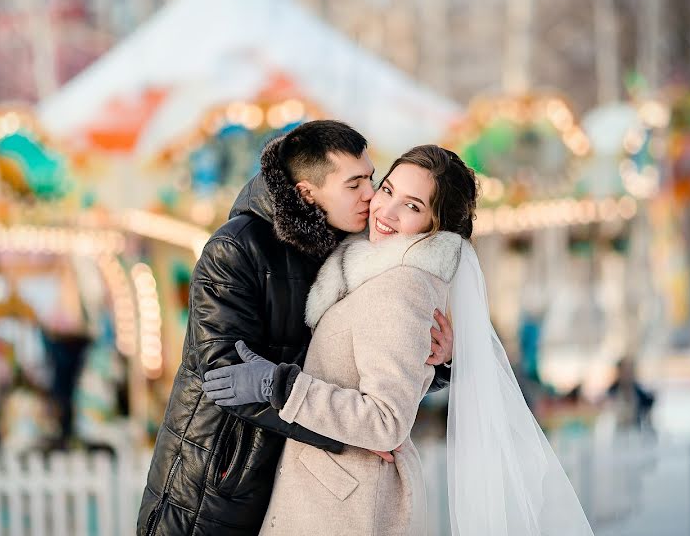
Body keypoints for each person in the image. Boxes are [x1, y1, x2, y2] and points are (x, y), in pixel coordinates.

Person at [205, 145, 594, 535]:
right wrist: (439, 368)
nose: (386, 212)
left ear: (435, 226)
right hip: (331, 492)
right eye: (387, 190)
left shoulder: (400, 287)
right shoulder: (370, 270)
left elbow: (386, 420)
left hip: (344, 507)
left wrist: (280, 386)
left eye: (412, 206)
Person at [137, 121, 454, 535]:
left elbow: (351, 370)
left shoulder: (348, 253)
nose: (372, 195)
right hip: (217, 474)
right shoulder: (236, 248)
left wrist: (437, 359)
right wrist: (349, 434)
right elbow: (227, 378)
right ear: (307, 193)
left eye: (372, 178)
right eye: (354, 183)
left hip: (291, 480)